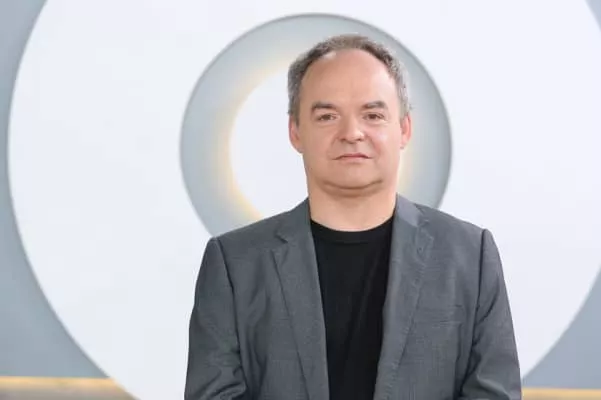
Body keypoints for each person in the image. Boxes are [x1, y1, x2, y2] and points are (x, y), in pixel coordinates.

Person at [184, 34, 521, 400]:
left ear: (404, 129)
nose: (351, 133)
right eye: (327, 116)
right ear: (295, 132)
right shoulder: (234, 264)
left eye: (373, 115)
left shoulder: (470, 256)